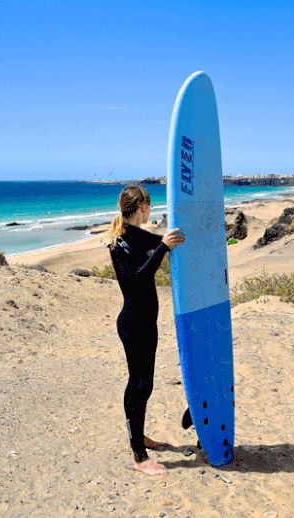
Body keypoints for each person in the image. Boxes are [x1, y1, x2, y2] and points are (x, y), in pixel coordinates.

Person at [108, 185, 185, 476]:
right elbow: (137, 281)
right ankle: (139, 457)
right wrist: (163, 248)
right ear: (143, 208)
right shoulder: (119, 243)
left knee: (142, 384)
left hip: (145, 324)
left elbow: (163, 241)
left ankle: (137, 438)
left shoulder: (139, 236)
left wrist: (173, 240)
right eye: (149, 207)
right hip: (133, 324)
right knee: (140, 385)